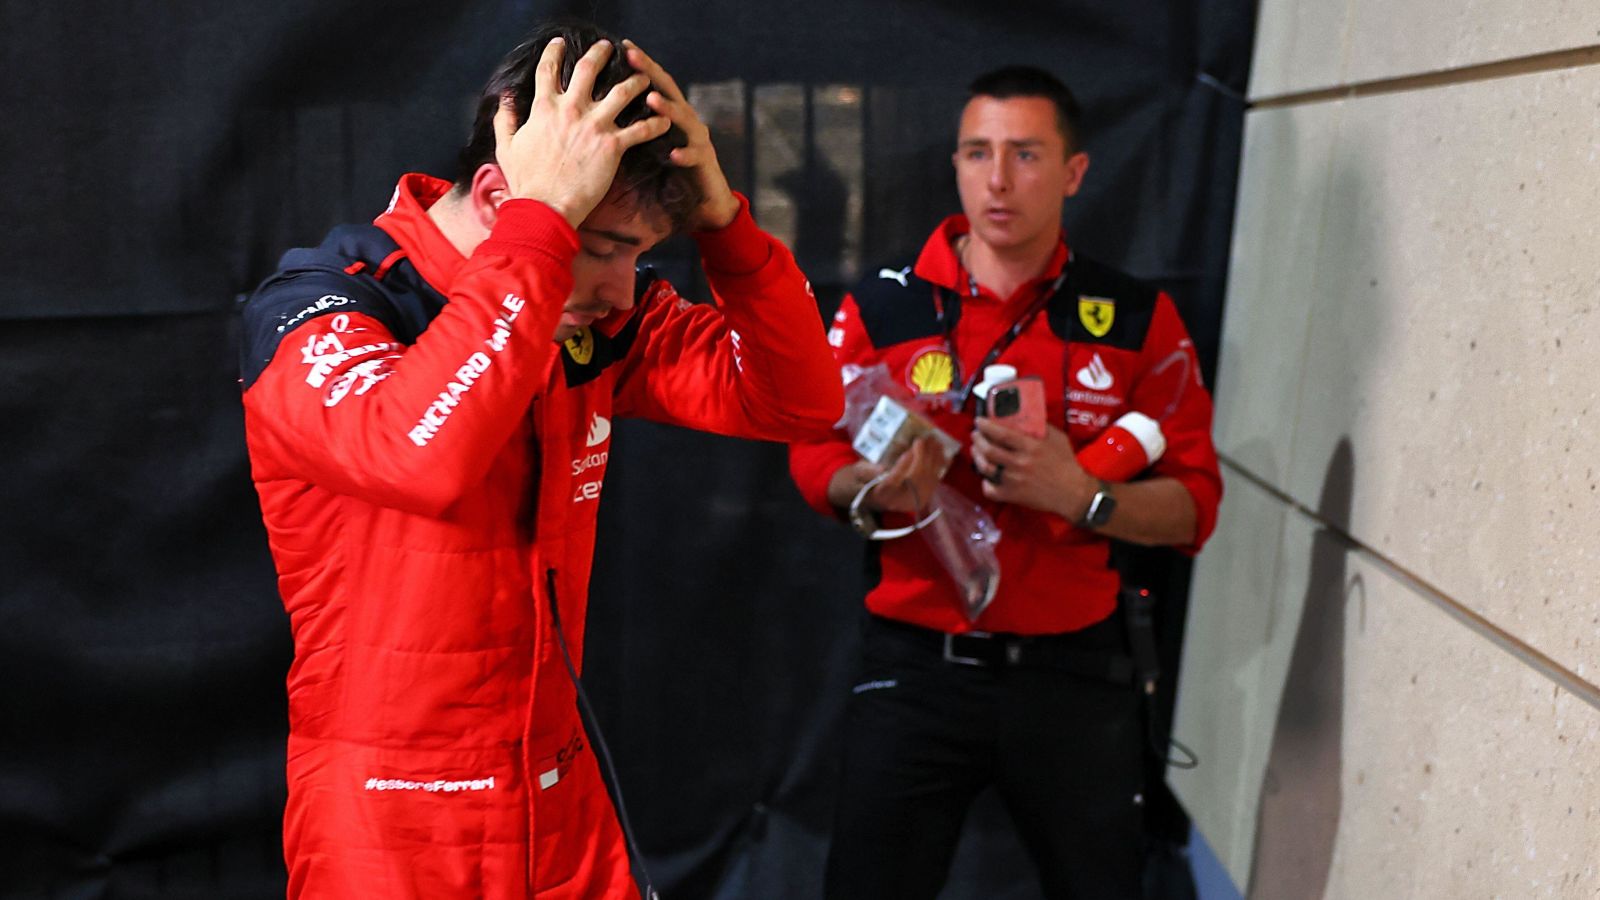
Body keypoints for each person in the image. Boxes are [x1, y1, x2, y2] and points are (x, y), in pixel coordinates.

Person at [239, 21, 843, 899]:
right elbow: (421, 459)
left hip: (562, 799)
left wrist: (726, 229)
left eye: (638, 254)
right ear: (500, 195)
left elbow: (798, 402)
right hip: (392, 827)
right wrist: (542, 232)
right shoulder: (328, 307)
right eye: (600, 249)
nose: (620, 291)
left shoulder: (587, 319)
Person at [788, 66, 1223, 899]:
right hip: (916, 669)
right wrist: (871, 493)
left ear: (1074, 172)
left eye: (1026, 153)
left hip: (1076, 676)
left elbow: (1195, 505)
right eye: (978, 153)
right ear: (953, 164)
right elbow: (811, 452)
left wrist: (1083, 495)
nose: (998, 179)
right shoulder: (882, 309)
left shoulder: (1134, 317)